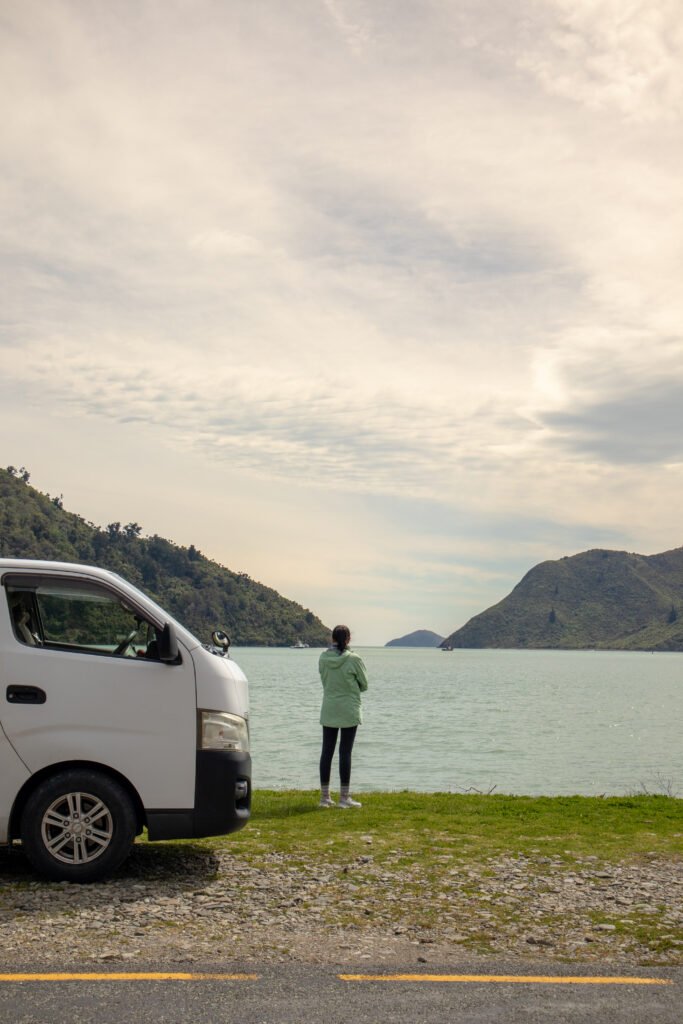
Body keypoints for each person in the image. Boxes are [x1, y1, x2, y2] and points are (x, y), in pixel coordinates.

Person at [318, 624, 368, 808]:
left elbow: (324, 680)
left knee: (327, 752)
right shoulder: (354, 659)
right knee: (345, 752)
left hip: (330, 707)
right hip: (349, 709)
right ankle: (344, 798)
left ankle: (325, 798)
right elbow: (364, 684)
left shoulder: (323, 658)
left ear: (332, 639)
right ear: (348, 639)